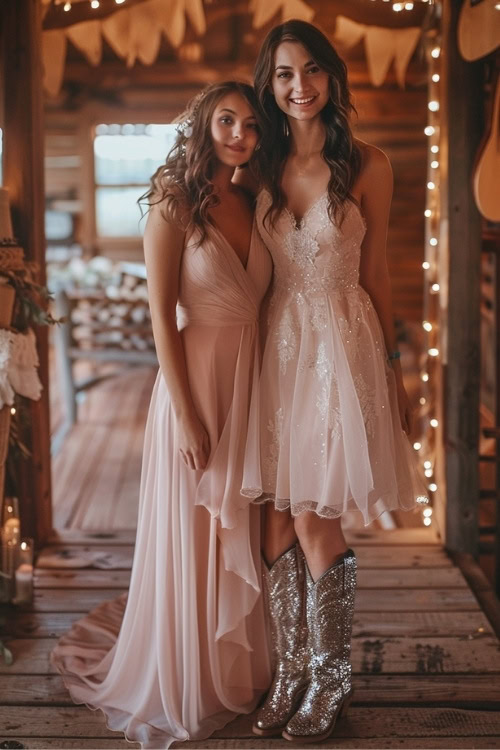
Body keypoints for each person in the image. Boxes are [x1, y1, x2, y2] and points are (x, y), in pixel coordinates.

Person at [51, 81, 272, 749]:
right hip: (195, 383)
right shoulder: (172, 203)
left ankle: (236, 667)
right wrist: (186, 412)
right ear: (202, 127)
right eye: (225, 119)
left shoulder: (258, 200)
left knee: (244, 529)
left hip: (253, 382)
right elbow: (161, 321)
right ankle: (186, 677)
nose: (238, 132)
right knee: (196, 528)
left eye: (250, 123)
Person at [240, 20, 428, 743]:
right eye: (285, 74)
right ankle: (288, 673)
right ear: (270, 83)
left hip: (339, 348)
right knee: (271, 519)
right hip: (274, 348)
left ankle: (330, 681)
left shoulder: (370, 165)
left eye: (312, 70)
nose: (300, 86)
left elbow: (377, 269)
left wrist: (393, 366)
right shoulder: (259, 165)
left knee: (317, 515)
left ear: (332, 77)